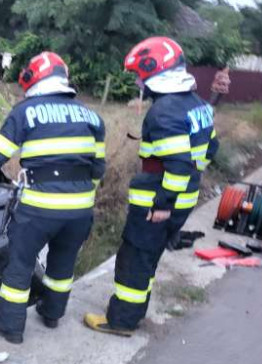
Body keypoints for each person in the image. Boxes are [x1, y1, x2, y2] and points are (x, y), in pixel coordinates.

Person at [0, 52, 106, 344]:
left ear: (33, 80)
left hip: (40, 208)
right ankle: (52, 313)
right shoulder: (93, 117)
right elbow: (98, 168)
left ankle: (10, 327)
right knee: (63, 263)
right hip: (81, 209)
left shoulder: (26, 111)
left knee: (19, 263)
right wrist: (80, 196)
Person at [84, 37, 218, 336]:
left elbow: (179, 163)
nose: (137, 81)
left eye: (139, 75)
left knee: (135, 258)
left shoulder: (164, 111)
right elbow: (211, 149)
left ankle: (120, 321)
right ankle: (134, 312)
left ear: (153, 70)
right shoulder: (198, 105)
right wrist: (184, 190)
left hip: (156, 204)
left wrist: (162, 204)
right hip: (185, 200)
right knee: (149, 257)